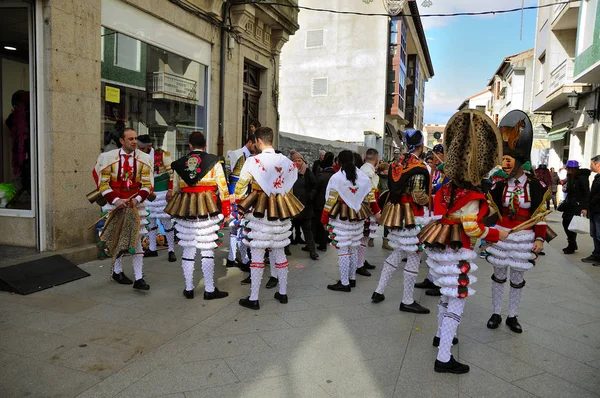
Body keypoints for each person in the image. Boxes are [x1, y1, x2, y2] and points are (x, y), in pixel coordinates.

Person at [426, 109, 507, 374]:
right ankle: (444, 357)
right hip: (458, 252)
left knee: (445, 295)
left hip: (440, 249)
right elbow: (474, 229)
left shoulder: (445, 188)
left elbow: (438, 215)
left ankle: (440, 335)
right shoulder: (472, 194)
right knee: (457, 301)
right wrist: (499, 234)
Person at [485, 110, 549, 334]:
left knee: (517, 278)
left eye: (509, 160)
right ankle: (495, 312)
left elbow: (539, 214)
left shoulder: (536, 186)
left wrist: (540, 238)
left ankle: (512, 315)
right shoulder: (498, 185)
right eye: (503, 160)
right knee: (498, 275)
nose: (505, 163)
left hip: (524, 237)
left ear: (521, 162)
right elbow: (490, 210)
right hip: (502, 236)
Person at [371, 129, 436, 314]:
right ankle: (407, 300)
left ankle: (379, 291)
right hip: (413, 217)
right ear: (422, 146)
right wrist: (433, 196)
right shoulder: (420, 166)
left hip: (398, 215)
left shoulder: (396, 162)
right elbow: (418, 196)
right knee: (414, 255)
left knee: (398, 252)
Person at [235, 127, 299, 309]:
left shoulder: (252, 161)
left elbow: (240, 187)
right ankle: (283, 293)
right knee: (279, 251)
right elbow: (290, 187)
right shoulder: (287, 162)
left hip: (258, 211)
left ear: (258, 141)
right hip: (280, 210)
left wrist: (240, 206)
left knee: (257, 253)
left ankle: (254, 297)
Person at [168, 132, 230, 300]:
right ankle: (209, 289)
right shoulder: (214, 162)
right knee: (206, 249)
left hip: (187, 210)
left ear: (189, 146)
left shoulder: (179, 164)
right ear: (205, 146)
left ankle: (188, 288)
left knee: (188, 248)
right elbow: (223, 189)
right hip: (208, 210)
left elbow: (174, 191)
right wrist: (226, 212)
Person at [94, 128, 153, 290]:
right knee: (118, 240)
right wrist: (116, 200)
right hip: (115, 205)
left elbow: (147, 185)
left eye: (135, 139)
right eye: (131, 139)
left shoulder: (145, 158)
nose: (134, 142)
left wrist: (136, 199)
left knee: (137, 241)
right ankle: (117, 272)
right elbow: (103, 183)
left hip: (136, 206)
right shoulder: (108, 158)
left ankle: (139, 278)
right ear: (122, 141)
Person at [321, 150, 379, 291]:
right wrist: (378, 214)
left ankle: (344, 282)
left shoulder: (337, 178)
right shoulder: (363, 177)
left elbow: (330, 201)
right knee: (353, 247)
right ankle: (352, 279)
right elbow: (371, 199)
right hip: (358, 217)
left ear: (338, 162)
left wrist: (324, 219)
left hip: (341, 218)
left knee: (343, 249)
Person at [137, 135, 177, 262]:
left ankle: (171, 250)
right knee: (150, 222)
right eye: (139, 148)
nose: (141, 150)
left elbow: (172, 173)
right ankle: (152, 248)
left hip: (162, 192)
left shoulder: (163, 155)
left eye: (143, 148)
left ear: (149, 146)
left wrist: (170, 190)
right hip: (148, 192)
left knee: (166, 222)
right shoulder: (137, 156)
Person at [225, 135, 255, 269]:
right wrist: (229, 194)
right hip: (236, 195)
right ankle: (243, 259)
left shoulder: (251, 157)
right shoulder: (235, 154)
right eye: (255, 144)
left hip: (245, 195)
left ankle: (232, 257)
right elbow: (226, 175)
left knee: (239, 227)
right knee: (238, 226)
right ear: (249, 142)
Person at [289, 150, 319, 260]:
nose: (297, 163)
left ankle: (312, 251)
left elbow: (315, 186)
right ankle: (286, 249)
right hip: (292, 205)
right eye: (295, 161)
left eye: (299, 160)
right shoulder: (289, 172)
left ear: (303, 161)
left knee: (307, 229)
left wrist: (310, 196)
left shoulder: (307, 172)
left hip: (306, 206)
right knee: (289, 228)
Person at [357, 148, 381, 275]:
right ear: (376, 158)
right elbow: (369, 195)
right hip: (366, 208)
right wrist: (376, 211)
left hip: (366, 207)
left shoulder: (365, 169)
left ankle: (361, 260)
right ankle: (359, 264)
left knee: (364, 237)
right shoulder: (367, 172)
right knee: (363, 237)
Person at [561, 160, 591, 254]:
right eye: (567, 169)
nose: (568, 171)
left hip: (577, 205)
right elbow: (571, 189)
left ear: (574, 169)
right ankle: (571, 243)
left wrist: (585, 207)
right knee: (565, 222)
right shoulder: (570, 177)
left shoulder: (582, 178)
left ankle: (572, 245)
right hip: (570, 204)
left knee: (571, 224)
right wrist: (566, 190)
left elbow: (586, 193)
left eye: (569, 169)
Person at [314, 152, 335, 252]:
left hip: (320, 202)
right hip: (331, 203)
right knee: (328, 221)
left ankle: (321, 243)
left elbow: (315, 190)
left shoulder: (321, 176)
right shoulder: (335, 177)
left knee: (320, 222)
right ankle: (327, 239)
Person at [583, 155, 600, 266]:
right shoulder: (597, 177)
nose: (590, 166)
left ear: (598, 164)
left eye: (592, 164)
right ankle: (596, 254)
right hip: (594, 209)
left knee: (599, 234)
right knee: (594, 233)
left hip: (599, 210)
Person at [377, 162, 393, 250]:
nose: (389, 171)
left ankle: (385, 241)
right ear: (382, 171)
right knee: (376, 221)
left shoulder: (390, 178)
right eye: (387, 169)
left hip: (388, 203)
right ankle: (370, 237)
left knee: (387, 221)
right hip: (379, 202)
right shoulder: (377, 179)